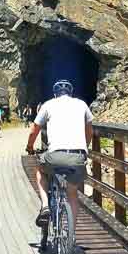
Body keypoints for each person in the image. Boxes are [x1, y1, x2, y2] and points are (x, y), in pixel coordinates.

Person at [26, 79, 92, 228]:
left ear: (55, 94)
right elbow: (89, 130)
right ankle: (71, 235)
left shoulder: (48, 104)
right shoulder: (82, 104)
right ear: (71, 93)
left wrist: (30, 146)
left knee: (40, 170)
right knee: (72, 194)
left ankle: (45, 205)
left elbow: (35, 129)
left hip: (55, 156)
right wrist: (84, 147)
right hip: (77, 157)